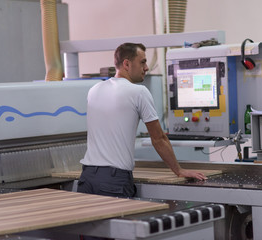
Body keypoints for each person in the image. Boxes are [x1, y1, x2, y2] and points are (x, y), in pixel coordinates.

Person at [77, 42, 207, 200]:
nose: (147, 68)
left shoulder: (94, 90)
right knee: (120, 225)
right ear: (126, 64)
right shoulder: (139, 92)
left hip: (87, 177)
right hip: (113, 181)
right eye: (143, 62)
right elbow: (159, 138)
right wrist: (179, 171)